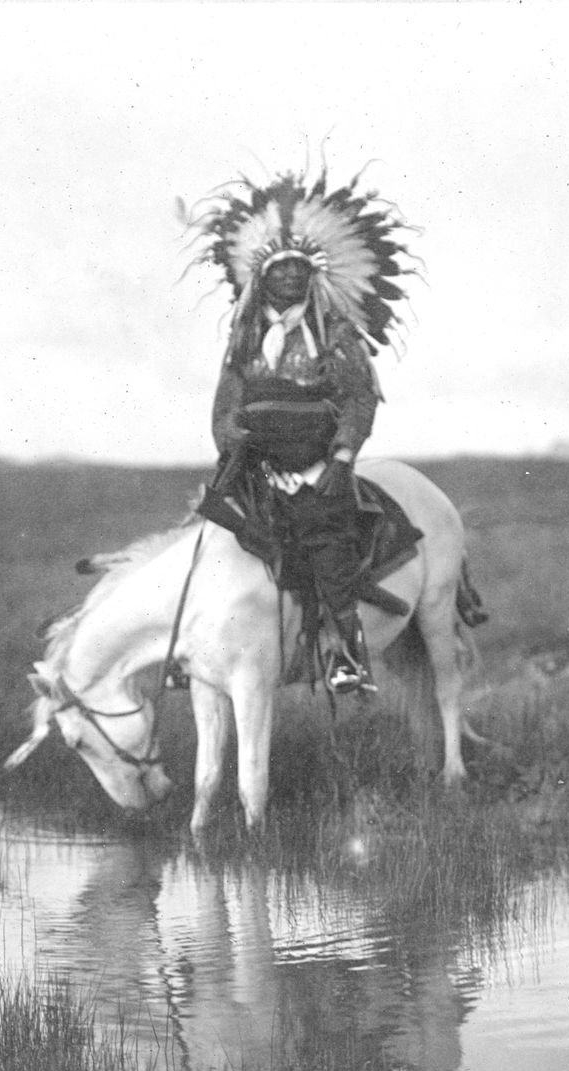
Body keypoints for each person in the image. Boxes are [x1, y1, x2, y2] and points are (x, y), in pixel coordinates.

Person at [194, 168, 415, 695]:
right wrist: (231, 443)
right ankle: (199, 651)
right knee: (209, 540)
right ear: (262, 277)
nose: (291, 277)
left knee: (328, 548)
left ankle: (345, 655)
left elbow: (360, 397)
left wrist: (341, 459)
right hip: (256, 466)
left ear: (312, 275)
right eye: (281, 268)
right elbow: (226, 401)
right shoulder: (245, 337)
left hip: (316, 465)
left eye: (299, 268)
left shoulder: (333, 333)